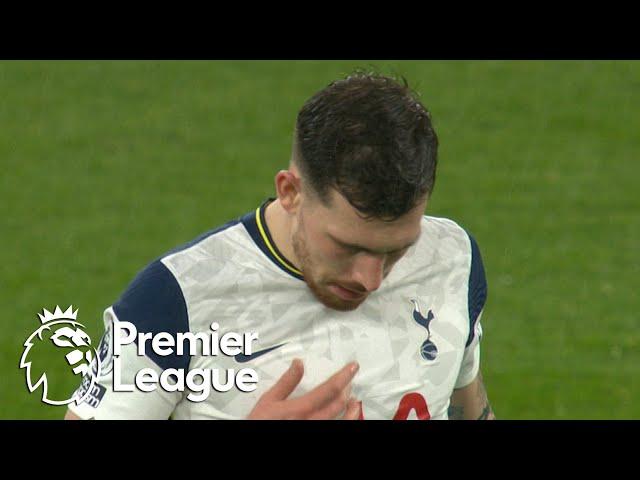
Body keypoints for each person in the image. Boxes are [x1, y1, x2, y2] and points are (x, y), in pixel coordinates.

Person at [65, 72, 494, 420]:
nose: (371, 279)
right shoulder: (174, 301)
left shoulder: (453, 259)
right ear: (290, 191)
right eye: (347, 246)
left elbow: (464, 406)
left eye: (397, 250)